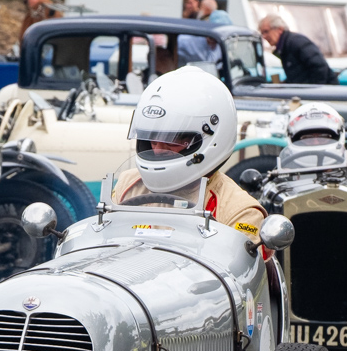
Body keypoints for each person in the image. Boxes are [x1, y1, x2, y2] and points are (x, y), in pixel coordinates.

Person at [114, 67, 266, 234]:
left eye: (171, 141)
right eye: (151, 139)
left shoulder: (239, 212)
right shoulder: (128, 185)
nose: (157, 150)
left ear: (212, 138)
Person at [258, 14, 339, 85]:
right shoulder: (285, 47)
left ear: (280, 29)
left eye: (266, 31)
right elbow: (298, 75)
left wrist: (314, 92)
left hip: (326, 93)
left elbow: (319, 67)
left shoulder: (296, 42)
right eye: (262, 33)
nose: (264, 36)